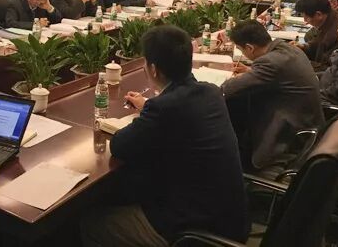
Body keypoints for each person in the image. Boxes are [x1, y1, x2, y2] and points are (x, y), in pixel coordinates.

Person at [82, 25, 248, 246]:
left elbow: (120, 145)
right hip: (230, 219)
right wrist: (149, 106)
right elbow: (181, 112)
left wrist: (149, 113)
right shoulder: (211, 92)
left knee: (93, 224)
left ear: (153, 69)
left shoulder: (164, 108)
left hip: (194, 228)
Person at [221, 20, 324, 171]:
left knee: (234, 108)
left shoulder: (270, 62)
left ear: (249, 48)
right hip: (308, 122)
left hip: (289, 135)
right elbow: (280, 75)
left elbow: (228, 89)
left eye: (241, 49)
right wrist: (251, 72)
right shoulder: (287, 49)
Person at [294, 0, 338, 70]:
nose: (305, 21)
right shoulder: (332, 17)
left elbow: (327, 67)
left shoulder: (335, 33)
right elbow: (318, 44)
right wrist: (303, 47)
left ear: (318, 15)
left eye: (306, 18)